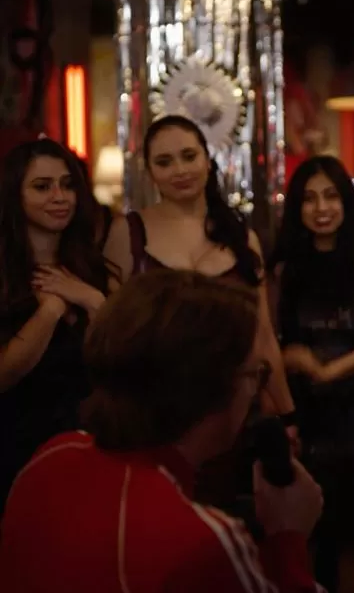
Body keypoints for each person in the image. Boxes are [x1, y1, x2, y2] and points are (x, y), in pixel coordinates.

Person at [0, 270, 324, 592]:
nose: (255, 391)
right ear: (209, 391)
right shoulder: (201, 542)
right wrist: (288, 537)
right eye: (255, 374)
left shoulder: (51, 457)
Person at [103, 115, 298, 509]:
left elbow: (262, 334)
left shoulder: (241, 237)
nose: (179, 170)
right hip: (156, 414)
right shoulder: (128, 233)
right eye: (164, 162)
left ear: (208, 161)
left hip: (234, 411)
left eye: (188, 156)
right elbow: (114, 335)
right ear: (150, 173)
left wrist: (287, 415)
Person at [268, 156, 354, 592]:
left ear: (347, 200)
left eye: (330, 196)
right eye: (309, 199)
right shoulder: (284, 271)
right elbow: (270, 342)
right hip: (301, 414)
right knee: (301, 531)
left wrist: (326, 371)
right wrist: (291, 371)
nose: (321, 208)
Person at [0, 138, 116, 513]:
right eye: (42, 186)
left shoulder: (92, 270)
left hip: (89, 446)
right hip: (16, 450)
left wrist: (93, 301)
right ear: (14, 195)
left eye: (67, 185)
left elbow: (125, 360)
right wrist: (50, 310)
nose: (59, 196)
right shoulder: (6, 277)